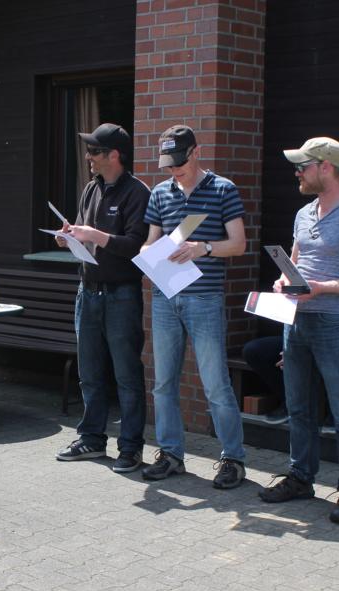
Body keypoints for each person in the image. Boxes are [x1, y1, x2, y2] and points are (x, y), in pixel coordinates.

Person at [258, 137, 339, 525]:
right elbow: (294, 266)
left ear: (326, 167)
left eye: (303, 166)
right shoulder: (303, 214)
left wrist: (322, 288)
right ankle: (301, 478)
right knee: (298, 407)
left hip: (334, 323)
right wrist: (284, 282)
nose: (297, 172)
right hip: (297, 323)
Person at [140, 125, 248, 489]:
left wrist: (204, 248)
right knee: (163, 384)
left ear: (196, 152)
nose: (174, 170)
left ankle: (233, 459)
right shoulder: (160, 192)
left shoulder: (223, 189)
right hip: (165, 296)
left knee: (215, 384)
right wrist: (148, 253)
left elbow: (238, 244)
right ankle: (171, 455)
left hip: (204, 298)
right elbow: (149, 241)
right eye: (168, 165)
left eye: (179, 163)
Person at [54, 123, 151, 473]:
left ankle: (131, 447)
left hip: (121, 295)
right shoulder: (90, 188)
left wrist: (95, 235)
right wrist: (68, 238)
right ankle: (92, 439)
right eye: (89, 150)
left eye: (94, 151)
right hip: (88, 292)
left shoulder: (138, 192)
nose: (88, 157)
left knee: (126, 375)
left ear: (114, 155)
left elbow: (137, 246)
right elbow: (84, 233)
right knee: (90, 373)